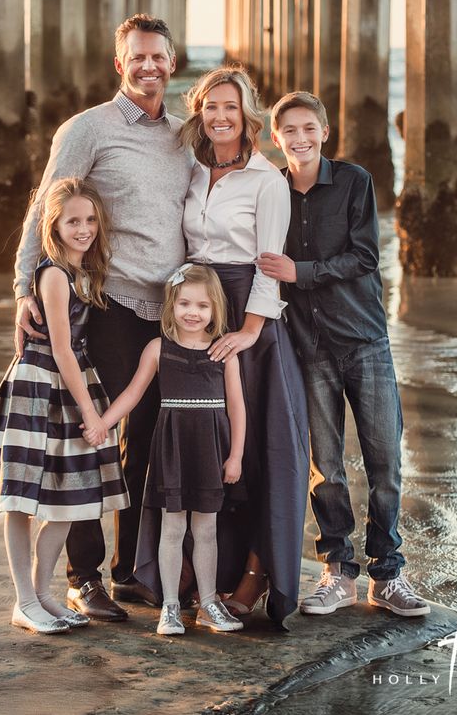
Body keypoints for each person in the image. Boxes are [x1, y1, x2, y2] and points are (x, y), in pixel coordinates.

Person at [13, 14, 193, 620]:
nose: (149, 66)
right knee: (91, 442)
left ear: (173, 62)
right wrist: (24, 287)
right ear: (121, 64)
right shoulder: (88, 129)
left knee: (146, 441)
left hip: (166, 313)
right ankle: (82, 577)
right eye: (137, 57)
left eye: (159, 57)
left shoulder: (183, 135)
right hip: (106, 305)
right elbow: (47, 207)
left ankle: (131, 573)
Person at [259, 91, 429, 618]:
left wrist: (300, 272)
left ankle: (388, 574)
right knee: (325, 467)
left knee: (385, 463)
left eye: (309, 128)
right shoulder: (271, 190)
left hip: (363, 340)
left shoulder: (354, 181)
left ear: (324, 132)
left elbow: (364, 257)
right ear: (276, 137)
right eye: (290, 130)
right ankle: (338, 572)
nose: (300, 139)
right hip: (306, 346)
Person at [0, 178, 129, 634]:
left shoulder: (86, 272)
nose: (83, 229)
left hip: (70, 385)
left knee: (70, 501)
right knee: (22, 499)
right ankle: (23, 600)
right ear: (53, 225)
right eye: (73, 220)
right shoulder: (53, 274)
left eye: (90, 219)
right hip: (39, 386)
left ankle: (43, 593)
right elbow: (62, 349)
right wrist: (91, 413)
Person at [178, 66, 310, 628]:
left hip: (250, 323)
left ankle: (256, 574)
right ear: (199, 114)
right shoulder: (188, 170)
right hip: (198, 317)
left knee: (257, 449)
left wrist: (251, 331)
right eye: (211, 107)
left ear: (248, 113)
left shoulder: (267, 180)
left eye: (231, 107)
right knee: (210, 443)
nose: (221, 117)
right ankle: (204, 568)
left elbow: (269, 264)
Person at [89, 263, 247, 636]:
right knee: (173, 528)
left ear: (215, 310)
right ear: (171, 304)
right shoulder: (158, 348)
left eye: (203, 306)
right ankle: (171, 607)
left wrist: (236, 455)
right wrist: (102, 422)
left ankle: (209, 604)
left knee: (206, 529)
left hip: (210, 450)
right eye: (185, 304)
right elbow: (132, 393)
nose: (193, 313)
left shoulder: (223, 352)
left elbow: (238, 408)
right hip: (172, 450)